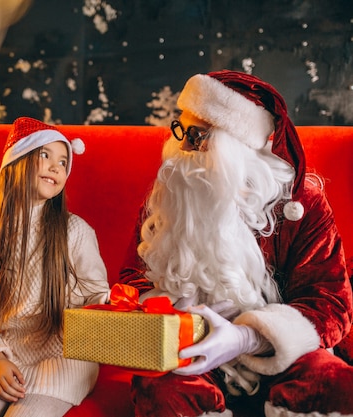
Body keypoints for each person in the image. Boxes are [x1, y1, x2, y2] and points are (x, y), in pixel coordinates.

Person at [120, 70, 353, 417]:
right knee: (159, 390)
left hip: (281, 354)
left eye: (198, 136)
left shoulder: (299, 204)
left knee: (335, 384)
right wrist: (167, 310)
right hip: (192, 350)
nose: (182, 149)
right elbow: (132, 279)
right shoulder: (170, 195)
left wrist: (247, 337)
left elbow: (330, 302)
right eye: (181, 130)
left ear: (238, 148)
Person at [0, 117, 111, 417]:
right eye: (45, 155)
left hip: (67, 356)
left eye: (63, 162)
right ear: (17, 162)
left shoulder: (76, 231)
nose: (56, 167)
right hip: (9, 350)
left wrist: (110, 307)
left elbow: (96, 295)